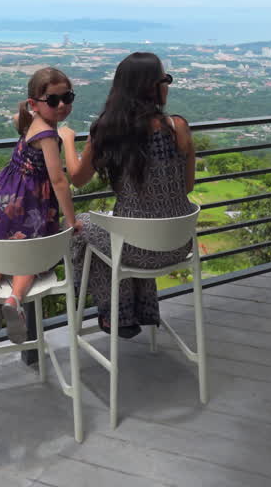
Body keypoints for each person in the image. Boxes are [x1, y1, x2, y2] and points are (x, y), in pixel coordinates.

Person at [59, 52, 196, 338]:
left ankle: (115, 313)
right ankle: (136, 311)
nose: (168, 86)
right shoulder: (178, 127)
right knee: (115, 233)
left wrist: (67, 141)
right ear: (150, 86)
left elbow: (78, 178)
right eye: (165, 80)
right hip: (178, 244)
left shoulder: (109, 131)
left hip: (134, 249)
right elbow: (187, 188)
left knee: (79, 226)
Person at [0, 66, 81, 343]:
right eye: (54, 100)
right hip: (31, 201)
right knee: (29, 256)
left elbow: (17, 116)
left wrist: (32, 109)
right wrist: (71, 222)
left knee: (1, 247)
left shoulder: (28, 121)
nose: (62, 106)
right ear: (35, 103)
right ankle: (14, 300)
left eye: (67, 98)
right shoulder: (47, 135)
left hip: (4, 195)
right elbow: (59, 181)